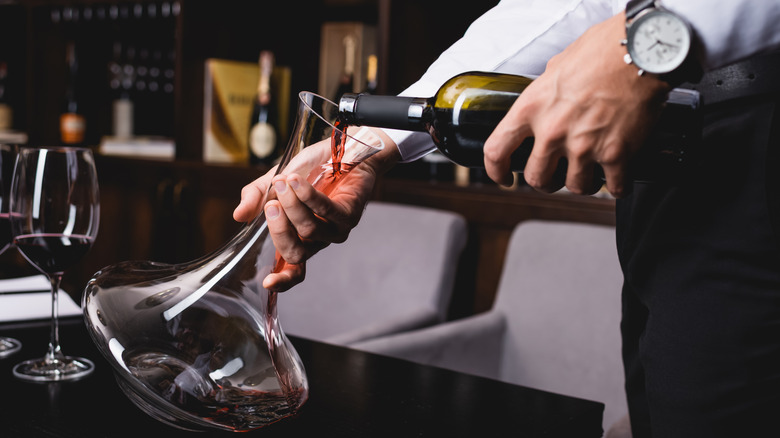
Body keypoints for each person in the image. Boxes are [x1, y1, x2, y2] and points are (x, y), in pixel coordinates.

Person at [233, 1, 780, 436]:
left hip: (754, 133)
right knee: (666, 406)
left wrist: (656, 35)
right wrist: (371, 143)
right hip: (673, 156)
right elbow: (571, 6)